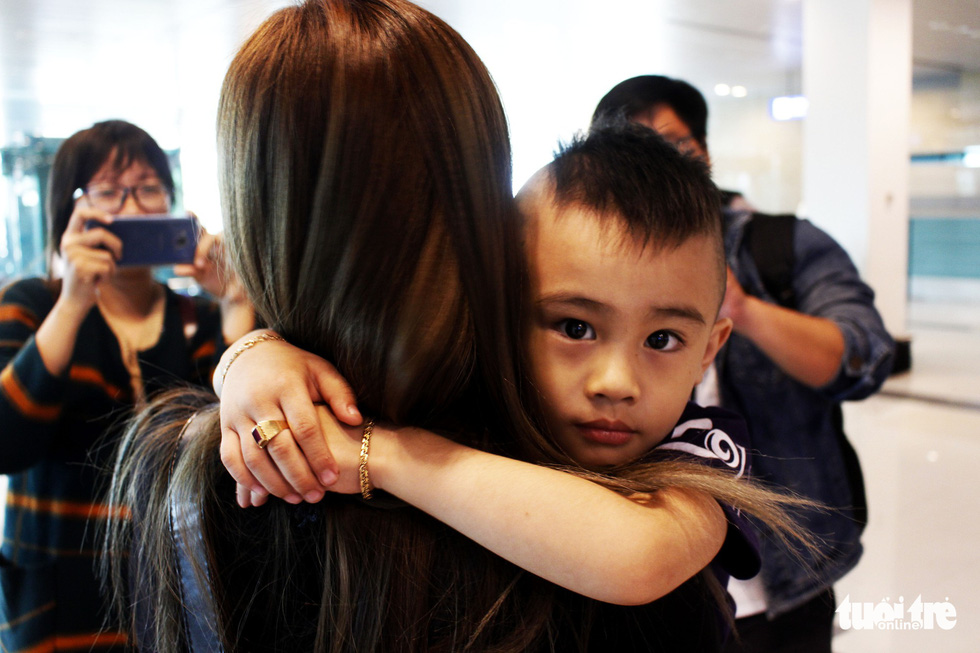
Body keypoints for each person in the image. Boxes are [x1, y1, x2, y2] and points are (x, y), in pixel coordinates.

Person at [106, 2, 814, 650]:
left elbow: (640, 552)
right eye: (573, 326)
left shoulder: (692, 447)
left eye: (663, 339)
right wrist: (251, 353)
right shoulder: (489, 407)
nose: (613, 381)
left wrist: (373, 448)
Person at [592, 74, 896, 653]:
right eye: (631, 149)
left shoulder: (782, 245)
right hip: (641, 575)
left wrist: (742, 306)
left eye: (673, 145)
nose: (654, 166)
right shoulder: (585, 259)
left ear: (704, 153)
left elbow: (865, 356)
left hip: (788, 574)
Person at [0, 120, 253, 650]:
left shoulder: (196, 318)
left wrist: (235, 302)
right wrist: (73, 301)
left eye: (148, 188)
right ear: (71, 209)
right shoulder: (33, 304)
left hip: (175, 595)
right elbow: (6, 440)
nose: (134, 208)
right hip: (60, 603)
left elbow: (229, 442)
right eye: (110, 192)